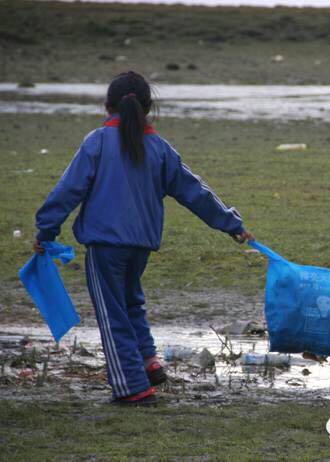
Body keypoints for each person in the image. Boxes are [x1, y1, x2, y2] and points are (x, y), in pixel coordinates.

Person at [33, 71, 253, 405]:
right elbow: (195, 192)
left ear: (108, 106)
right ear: (147, 109)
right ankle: (149, 362)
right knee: (130, 302)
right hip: (141, 246)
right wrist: (230, 224)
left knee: (112, 313)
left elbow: (67, 191)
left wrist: (46, 231)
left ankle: (132, 386)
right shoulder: (160, 148)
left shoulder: (96, 142)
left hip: (105, 245)